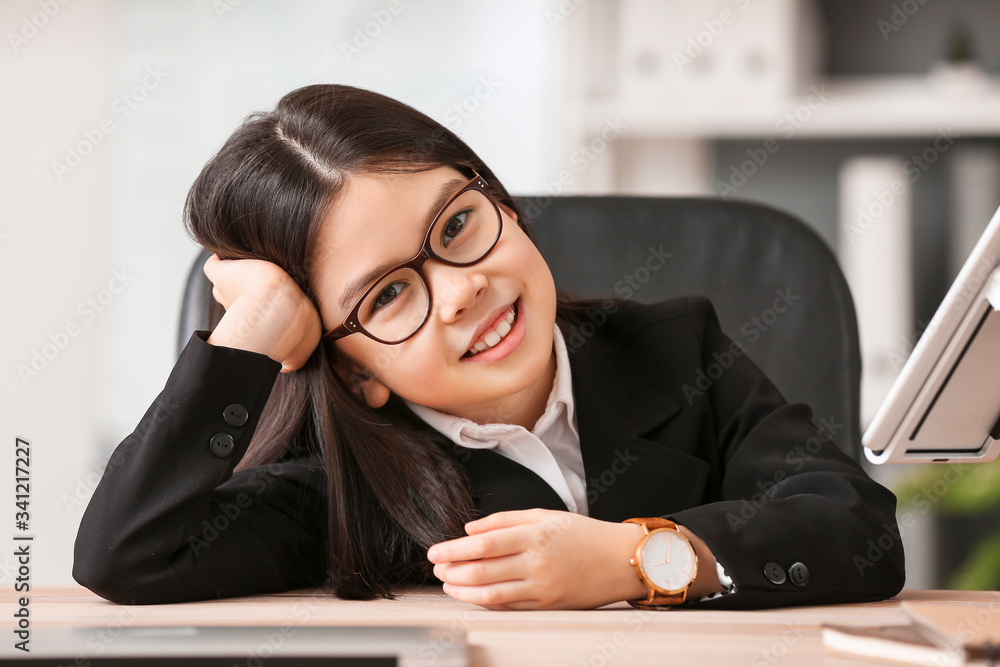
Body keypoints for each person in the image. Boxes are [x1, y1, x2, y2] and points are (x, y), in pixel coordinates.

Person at [72, 84, 905, 610]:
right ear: (356, 370)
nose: (461, 287)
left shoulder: (680, 350)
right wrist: (247, 340)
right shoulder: (344, 485)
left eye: (457, 224)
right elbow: (127, 554)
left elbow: (857, 528)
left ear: (502, 203)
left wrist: (634, 558)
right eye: (390, 293)